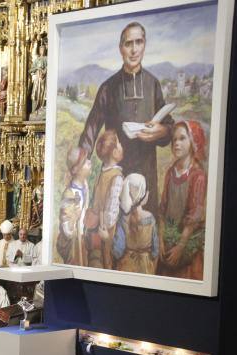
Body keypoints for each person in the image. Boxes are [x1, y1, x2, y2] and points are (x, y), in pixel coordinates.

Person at [74, 22, 173, 213]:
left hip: (146, 170)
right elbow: (91, 130)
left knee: (144, 229)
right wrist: (78, 166)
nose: (134, 49)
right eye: (129, 44)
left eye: (139, 42)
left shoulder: (153, 84)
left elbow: (168, 128)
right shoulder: (108, 87)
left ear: (144, 45)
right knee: (112, 230)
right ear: (121, 48)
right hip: (115, 171)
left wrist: (162, 131)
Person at [158, 120, 207, 280]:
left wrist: (180, 246)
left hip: (185, 247)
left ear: (193, 142)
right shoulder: (170, 172)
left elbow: (195, 215)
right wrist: (160, 240)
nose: (176, 144)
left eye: (182, 138)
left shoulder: (197, 176)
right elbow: (163, 209)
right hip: (167, 245)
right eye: (174, 140)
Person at [85, 129, 124, 269]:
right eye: (119, 144)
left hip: (94, 225)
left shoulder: (101, 173)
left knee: (96, 258)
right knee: (106, 260)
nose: (121, 146)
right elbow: (112, 209)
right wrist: (108, 230)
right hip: (106, 228)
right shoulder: (117, 176)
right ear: (114, 152)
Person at [112, 173, 158, 274]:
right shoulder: (150, 218)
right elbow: (155, 252)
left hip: (126, 267)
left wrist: (108, 239)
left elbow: (117, 252)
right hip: (146, 268)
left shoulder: (123, 219)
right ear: (142, 194)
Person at [57, 147, 91, 266]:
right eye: (85, 162)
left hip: (83, 239)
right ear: (77, 169)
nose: (89, 162)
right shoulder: (69, 193)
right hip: (74, 244)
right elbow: (66, 228)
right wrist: (73, 219)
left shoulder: (85, 186)